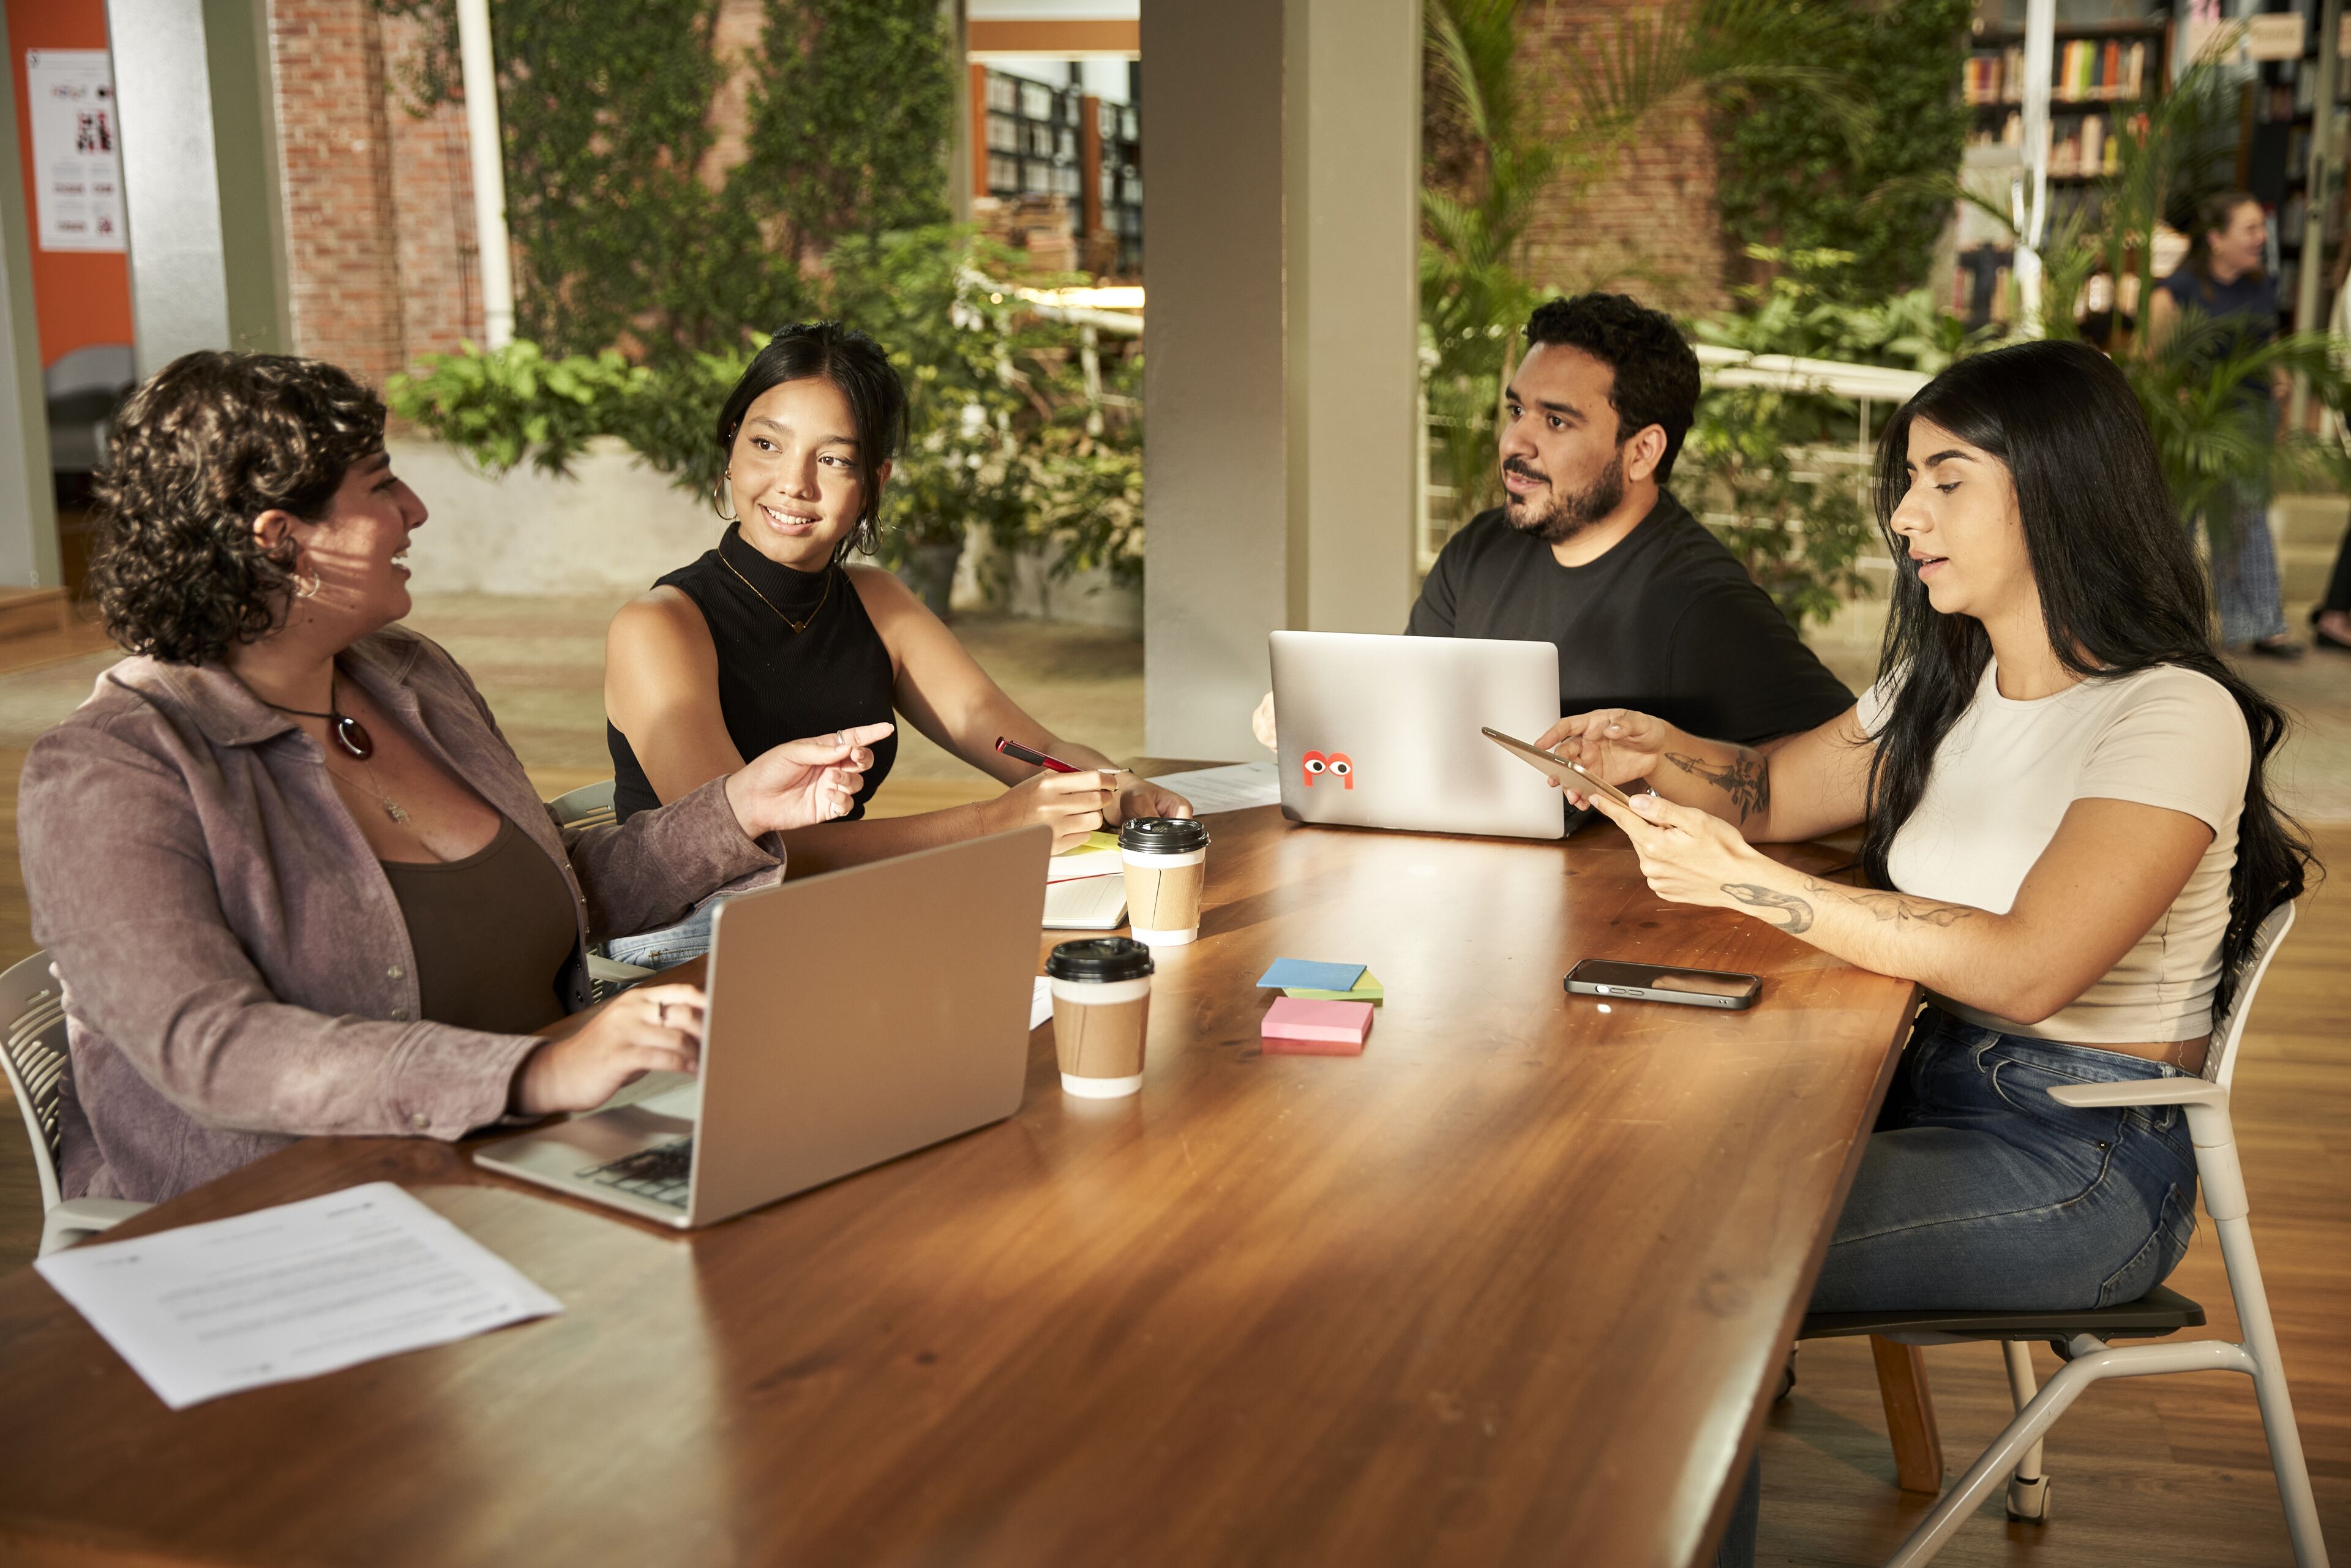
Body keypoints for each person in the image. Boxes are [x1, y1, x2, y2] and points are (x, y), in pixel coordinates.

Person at [1532, 339, 2310, 1566]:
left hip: (2082, 1153)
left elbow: (2028, 965)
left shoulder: (2171, 714)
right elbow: (1775, 785)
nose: (1906, 515)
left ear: (2056, 488)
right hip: (1921, 1070)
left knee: (1683, 1259)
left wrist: (1753, 888)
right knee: (1610, 1165)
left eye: (1946, 480)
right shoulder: (1951, 675)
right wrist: (1652, 746)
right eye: (1909, 481)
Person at [18, 351, 891, 1206]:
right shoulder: (114, 769)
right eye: (380, 485)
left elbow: (551, 889)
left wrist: (739, 807)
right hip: (284, 1218)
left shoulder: (411, 679)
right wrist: (539, 1069)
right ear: (282, 543)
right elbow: (215, 1047)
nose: (417, 509)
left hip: (522, 1165)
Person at [602, 321, 1189, 966]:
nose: (794, 483)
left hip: (830, 917)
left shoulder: (876, 603)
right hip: (689, 949)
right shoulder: (659, 627)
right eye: (767, 443)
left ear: (873, 483)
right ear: (731, 451)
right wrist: (998, 824)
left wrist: (1120, 786)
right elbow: (740, 856)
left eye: (833, 459)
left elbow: (1031, 750)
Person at [1250, 292, 1851, 760]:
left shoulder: (1704, 604)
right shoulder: (1478, 552)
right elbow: (1414, 704)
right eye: (1517, 410)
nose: (1515, 441)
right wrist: (1329, 709)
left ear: (1642, 452)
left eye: (1557, 422)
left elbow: (1850, 770)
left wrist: (1676, 768)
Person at [2147, 190, 2301, 659]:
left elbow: (2267, 344)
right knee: (2182, 519)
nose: (2261, 238)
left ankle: (2261, 625)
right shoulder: (2176, 291)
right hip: (2195, 426)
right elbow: (2154, 362)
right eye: (2250, 229)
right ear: (2216, 239)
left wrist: (2280, 381)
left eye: (2262, 228)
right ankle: (2162, 624)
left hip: (2250, 420)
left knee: (2246, 520)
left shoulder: (2262, 286)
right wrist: (2181, 402)